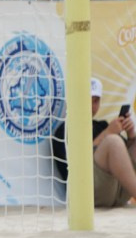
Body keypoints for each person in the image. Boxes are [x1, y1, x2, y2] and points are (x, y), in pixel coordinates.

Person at [51, 79, 136, 211]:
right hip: (86, 194)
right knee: (113, 142)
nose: (91, 105)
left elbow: (124, 162)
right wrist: (107, 134)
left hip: (117, 192)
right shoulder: (64, 131)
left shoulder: (102, 126)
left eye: (95, 101)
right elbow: (75, 167)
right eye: (86, 99)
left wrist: (131, 136)